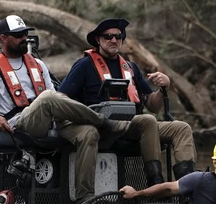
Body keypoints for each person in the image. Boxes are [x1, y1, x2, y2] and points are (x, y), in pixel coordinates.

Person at [0, 14, 127, 203]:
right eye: (18, 35)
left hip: (49, 120)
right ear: (3, 38)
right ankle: (104, 122)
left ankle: (85, 195)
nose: (24, 38)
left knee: (88, 133)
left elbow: (55, 98)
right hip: (18, 125)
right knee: (48, 98)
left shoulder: (38, 64)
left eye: (25, 34)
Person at [58, 18, 196, 186]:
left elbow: (153, 105)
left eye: (118, 36)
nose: (114, 40)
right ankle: (156, 184)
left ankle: (188, 185)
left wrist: (163, 88)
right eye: (108, 36)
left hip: (135, 125)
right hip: (104, 125)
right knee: (147, 120)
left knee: (181, 128)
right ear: (98, 40)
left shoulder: (130, 68)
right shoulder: (84, 65)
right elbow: (61, 98)